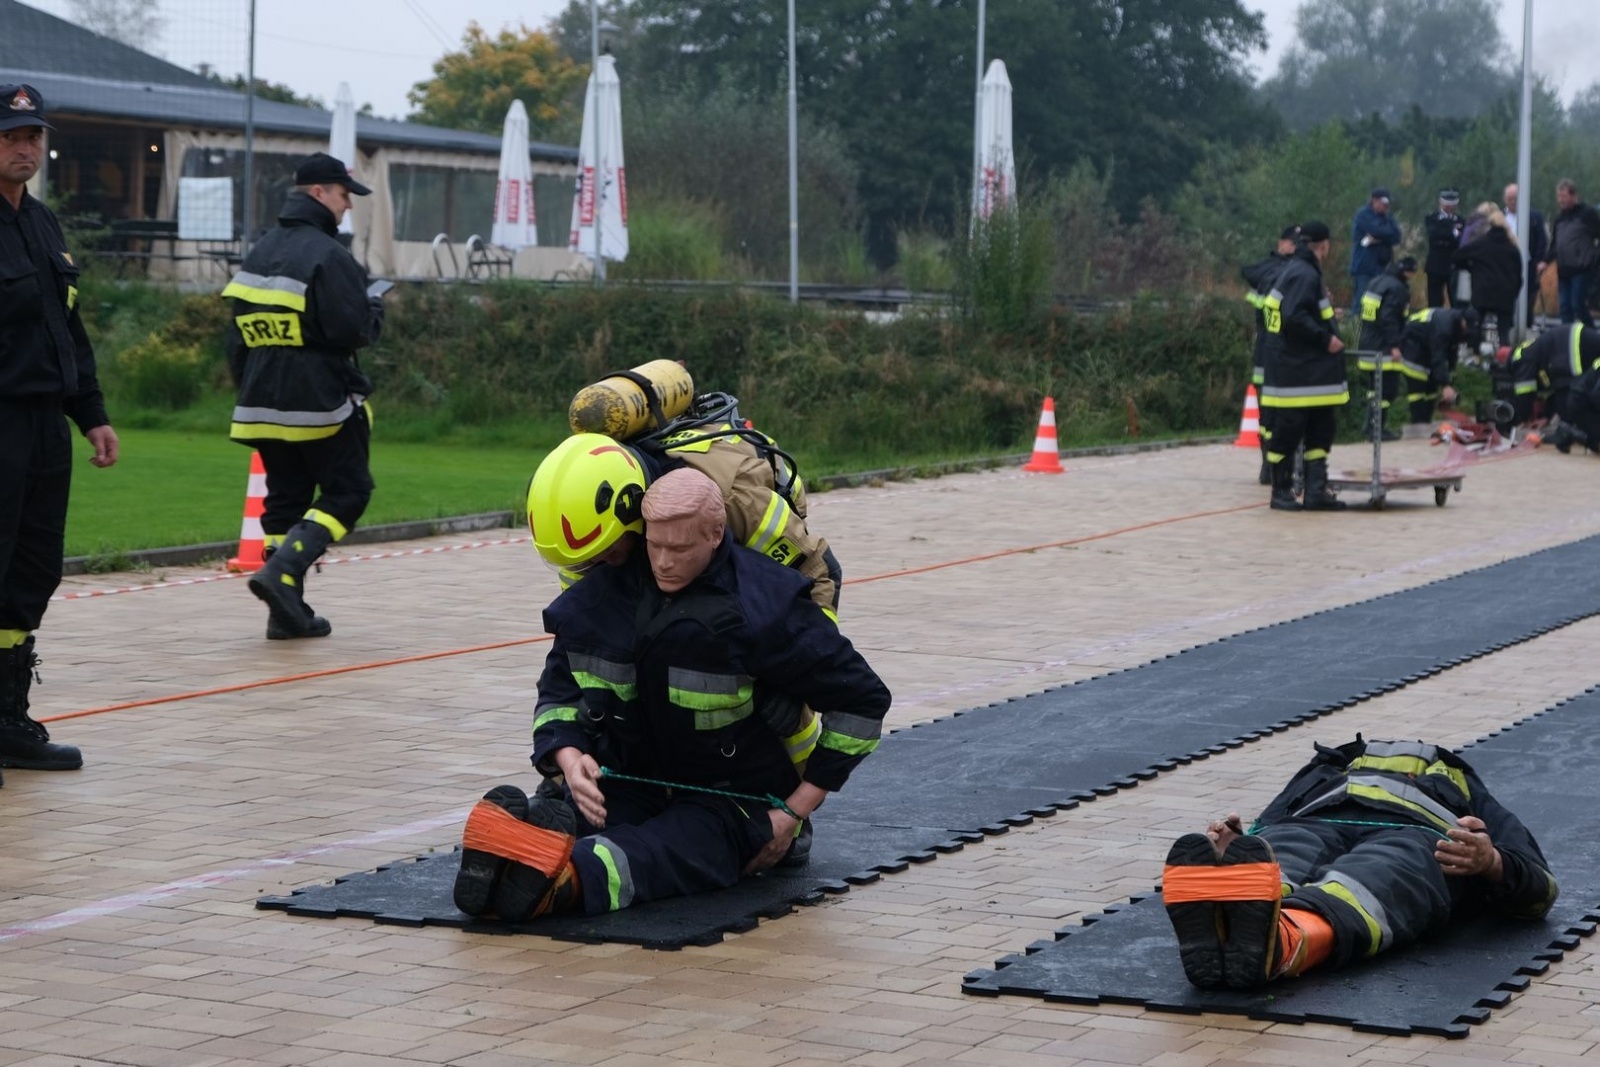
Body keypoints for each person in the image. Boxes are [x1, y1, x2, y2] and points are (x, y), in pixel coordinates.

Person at [452, 467, 892, 921]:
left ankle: (560, 882)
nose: (663, 561)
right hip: (630, 780)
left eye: (679, 548)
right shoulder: (602, 600)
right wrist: (569, 756)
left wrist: (792, 815)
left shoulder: (766, 606)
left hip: (734, 801)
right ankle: (515, 852)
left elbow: (862, 702)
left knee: (663, 851)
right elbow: (558, 689)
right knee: (591, 817)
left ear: (716, 534)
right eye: (654, 544)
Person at [1162, 737, 1558, 990]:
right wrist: (1236, 843)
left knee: (1371, 878)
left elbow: (1541, 890)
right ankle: (1238, 918)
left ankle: (1279, 940)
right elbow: (1268, 831)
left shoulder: (1462, 781)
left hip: (1414, 834)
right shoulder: (1322, 771)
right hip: (1314, 821)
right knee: (1280, 860)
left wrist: (1489, 861)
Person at [0, 84, 118, 782]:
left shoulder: (42, 224)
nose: (25, 148)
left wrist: (93, 413)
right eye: (12, 135)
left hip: (46, 425)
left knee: (30, 571)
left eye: (33, 136)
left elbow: (66, 327)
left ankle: (8, 719)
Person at [222, 152, 384, 640]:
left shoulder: (261, 250)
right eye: (342, 196)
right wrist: (374, 305)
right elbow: (352, 330)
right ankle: (281, 574)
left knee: (284, 502)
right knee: (350, 491)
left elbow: (236, 338)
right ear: (319, 193)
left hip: (259, 400)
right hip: (319, 401)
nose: (347, 207)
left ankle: (285, 614)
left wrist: (252, 385)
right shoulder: (329, 255)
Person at [1260, 221, 1347, 512]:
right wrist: (1326, 340)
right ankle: (1281, 490)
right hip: (1300, 372)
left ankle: (1315, 491)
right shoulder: (1304, 273)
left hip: (1309, 374)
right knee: (1289, 431)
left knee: (1320, 430)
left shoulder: (1299, 270)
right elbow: (1293, 316)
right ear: (1324, 245)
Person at [1241, 225, 1300, 483]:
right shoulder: (1288, 276)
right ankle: (1278, 468)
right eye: (1294, 243)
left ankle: (1268, 466)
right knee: (1281, 413)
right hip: (1280, 354)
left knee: (1268, 414)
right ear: (1283, 244)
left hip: (1264, 353)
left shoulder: (1266, 275)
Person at [1501, 324, 1600, 451]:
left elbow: (1525, 391)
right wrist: (1547, 416)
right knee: (1584, 391)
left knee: (1574, 398)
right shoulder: (1534, 352)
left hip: (1572, 346)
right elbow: (1556, 389)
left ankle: (1570, 432)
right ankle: (1575, 432)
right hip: (1575, 340)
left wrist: (1522, 418)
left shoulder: (1518, 358)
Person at [1355, 255, 1417, 441]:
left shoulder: (1376, 282)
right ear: (1408, 272)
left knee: (1375, 389)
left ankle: (1371, 428)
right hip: (1384, 349)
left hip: (1367, 345)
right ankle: (1377, 431)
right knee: (1386, 391)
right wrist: (1395, 345)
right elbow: (1388, 318)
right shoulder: (1397, 289)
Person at [1451, 205, 1523, 346]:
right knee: (1503, 330)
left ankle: (1475, 355)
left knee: (1476, 324)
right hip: (1506, 293)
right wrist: (1514, 292)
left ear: (1489, 225)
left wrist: (1471, 268)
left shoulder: (1481, 244)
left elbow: (1456, 257)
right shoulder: (1512, 248)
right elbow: (1519, 274)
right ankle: (1504, 357)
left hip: (1483, 291)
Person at [1550, 179, 1600, 328]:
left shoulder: (1587, 214)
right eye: (1559, 197)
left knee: (1577, 304)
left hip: (1582, 268)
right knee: (1565, 307)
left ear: (1573, 196)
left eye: (1564, 196)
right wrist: (1545, 261)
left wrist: (1593, 256)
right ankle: (1566, 338)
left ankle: (1592, 335)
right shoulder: (1559, 218)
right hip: (1563, 270)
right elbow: (1554, 243)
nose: (1561, 200)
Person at [1349, 188, 1401, 320]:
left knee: (1378, 302)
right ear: (1374, 201)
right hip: (1365, 265)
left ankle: (1371, 331)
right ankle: (1356, 333)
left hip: (1383, 266)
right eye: (1383, 203)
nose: (1386, 207)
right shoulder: (1363, 214)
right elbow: (1376, 229)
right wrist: (1383, 235)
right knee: (1362, 302)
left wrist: (1379, 238)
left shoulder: (1388, 217)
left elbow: (1396, 236)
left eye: (1387, 204)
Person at [1503, 183, 1548, 327]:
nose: (1513, 202)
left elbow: (1542, 240)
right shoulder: (1499, 217)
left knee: (1528, 297)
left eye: (1515, 199)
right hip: (1505, 264)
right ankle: (1507, 325)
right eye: (1510, 199)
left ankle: (1526, 325)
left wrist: (1540, 261)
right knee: (1506, 296)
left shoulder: (1534, 216)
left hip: (1527, 264)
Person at [1423, 190, 1465, 308]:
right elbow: (1434, 234)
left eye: (1452, 205)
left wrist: (1447, 233)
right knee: (1434, 299)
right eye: (1446, 204)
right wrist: (1452, 232)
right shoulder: (1432, 218)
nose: (1449, 207)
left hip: (1453, 263)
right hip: (1436, 263)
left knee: (1456, 299)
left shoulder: (1461, 220)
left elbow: (1462, 238)